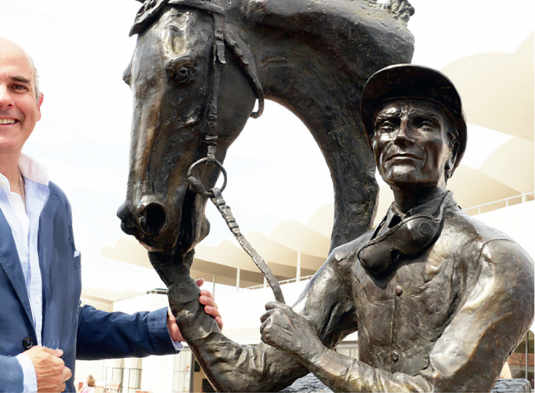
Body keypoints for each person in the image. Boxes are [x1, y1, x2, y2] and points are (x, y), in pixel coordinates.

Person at [162, 64, 534, 392]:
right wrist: (179, 283)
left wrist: (311, 351)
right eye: (387, 125)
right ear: (375, 145)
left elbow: (439, 392)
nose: (400, 135)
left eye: (422, 123)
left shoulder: (499, 259)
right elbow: (248, 377)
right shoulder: (350, 260)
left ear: (451, 150)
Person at [0, 37, 222, 392]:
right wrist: (15, 376)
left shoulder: (53, 203)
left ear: (37, 103)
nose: (3, 98)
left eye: (18, 86)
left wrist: (162, 326)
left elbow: (59, 324)